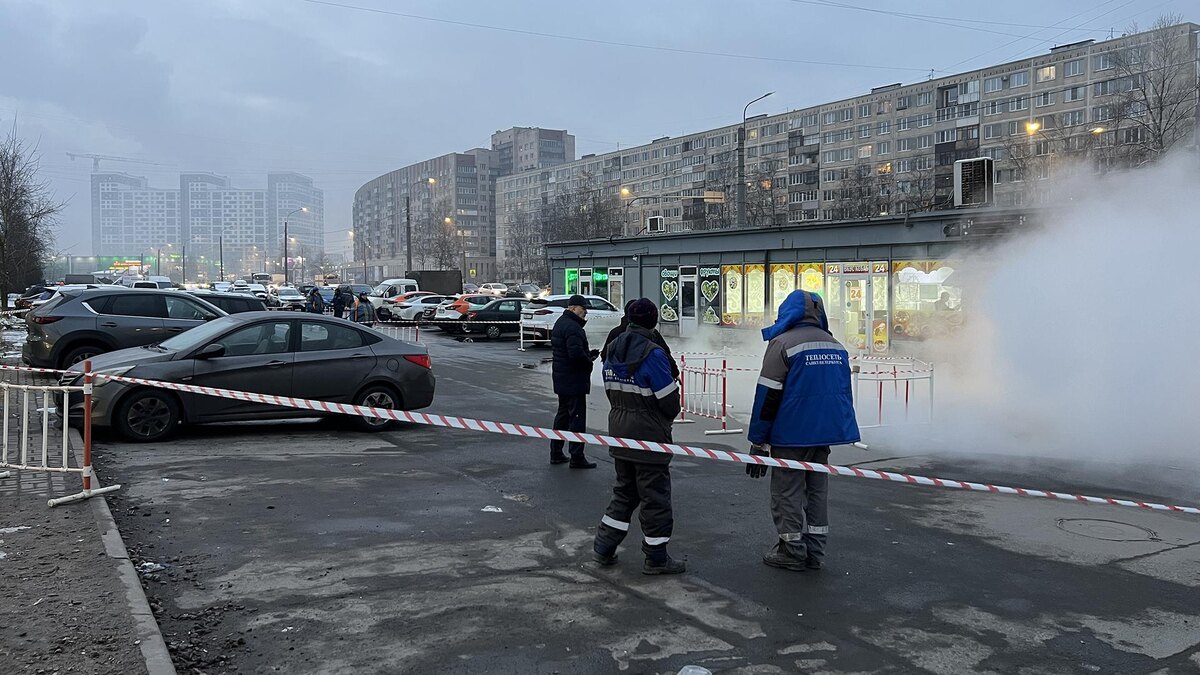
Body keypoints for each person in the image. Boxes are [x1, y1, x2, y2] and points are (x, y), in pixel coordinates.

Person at [746, 289, 859, 572]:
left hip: (791, 435)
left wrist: (758, 442)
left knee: (787, 492)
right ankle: (815, 551)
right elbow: (841, 393)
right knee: (817, 492)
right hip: (824, 435)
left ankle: (791, 550)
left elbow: (767, 396)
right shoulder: (835, 345)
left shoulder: (782, 343)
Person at [592, 299, 685, 575]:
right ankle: (656, 558)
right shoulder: (653, 353)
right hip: (649, 436)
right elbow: (669, 402)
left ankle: (603, 547)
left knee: (624, 492)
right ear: (653, 321)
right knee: (655, 498)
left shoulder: (611, 349)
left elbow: (611, 390)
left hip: (619, 432)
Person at [549, 294, 600, 468]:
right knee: (577, 419)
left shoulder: (561, 323)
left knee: (562, 416)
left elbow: (569, 351)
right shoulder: (573, 327)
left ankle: (556, 452)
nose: (585, 311)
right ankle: (577, 456)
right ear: (573, 308)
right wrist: (589, 361)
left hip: (562, 377)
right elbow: (576, 355)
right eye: (582, 308)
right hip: (574, 379)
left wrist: (587, 355)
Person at [601, 299, 680, 379]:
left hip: (617, 382)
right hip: (646, 381)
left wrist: (613, 375)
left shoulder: (615, 333)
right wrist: (675, 373)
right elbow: (665, 354)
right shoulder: (652, 334)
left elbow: (605, 356)